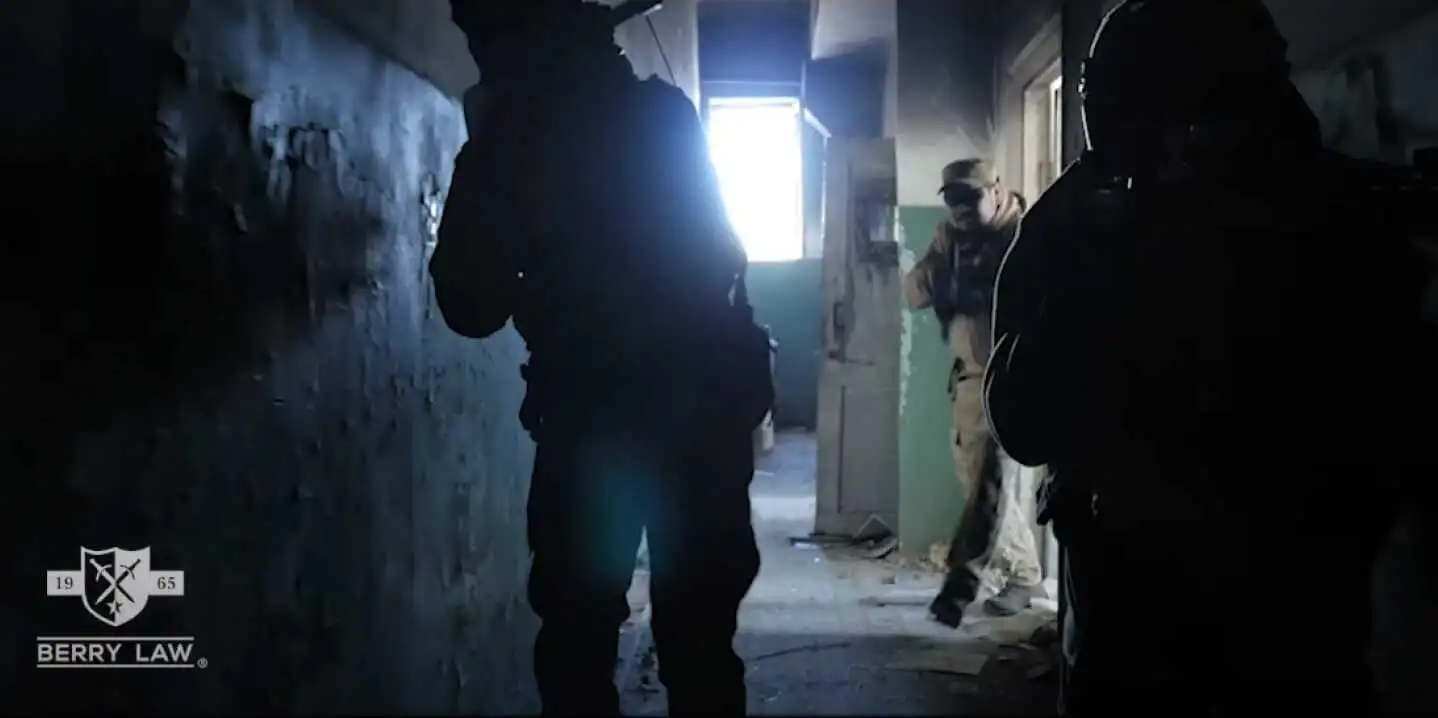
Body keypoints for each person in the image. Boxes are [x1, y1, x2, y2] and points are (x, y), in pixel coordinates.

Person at [985, 0, 1437, 713]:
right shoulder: (1097, 225)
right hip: (1203, 621)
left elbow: (1023, 415)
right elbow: (1024, 415)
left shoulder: (1333, 222)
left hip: (1250, 623)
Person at [432, 1, 774, 714]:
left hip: (597, 424)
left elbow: (469, 306)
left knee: (580, 644)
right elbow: (716, 260)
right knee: (698, 648)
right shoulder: (664, 119)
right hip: (690, 419)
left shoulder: (514, 141)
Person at [903, 159, 1044, 627]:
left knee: (989, 483)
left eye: (971, 197)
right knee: (976, 482)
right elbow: (913, 293)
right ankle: (1021, 573)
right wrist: (940, 265)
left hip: (1015, 378)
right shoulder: (951, 239)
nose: (961, 209)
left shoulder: (1026, 235)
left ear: (997, 191)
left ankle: (965, 584)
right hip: (969, 377)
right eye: (953, 200)